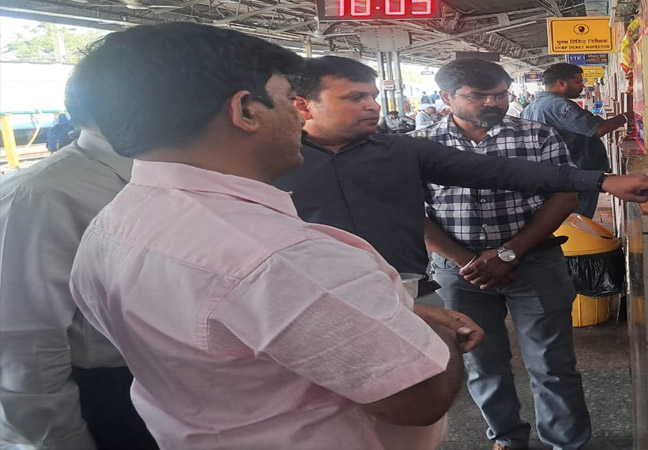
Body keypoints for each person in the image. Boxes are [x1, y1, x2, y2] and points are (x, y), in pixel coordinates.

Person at [66, 23, 482, 450]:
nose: (299, 117)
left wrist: (387, 312)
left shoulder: (115, 224)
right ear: (246, 111)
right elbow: (419, 395)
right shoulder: (280, 257)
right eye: (287, 100)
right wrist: (439, 336)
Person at [273, 56, 648, 305]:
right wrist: (465, 260)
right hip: (311, 297)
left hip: (404, 292)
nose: (372, 106)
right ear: (303, 106)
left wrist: (602, 181)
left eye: (373, 95)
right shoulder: (274, 162)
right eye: (354, 98)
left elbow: (501, 172)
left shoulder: (402, 150)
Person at [414, 59, 648, 450]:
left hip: (534, 263)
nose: (493, 103)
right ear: (446, 97)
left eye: (501, 95)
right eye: (479, 96)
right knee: (481, 361)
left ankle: (567, 442)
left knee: (552, 363)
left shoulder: (537, 135)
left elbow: (564, 196)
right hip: (460, 272)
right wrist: (467, 260)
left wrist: (509, 253)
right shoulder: (419, 145)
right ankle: (507, 437)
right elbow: (410, 210)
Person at [1, 78, 157, 450]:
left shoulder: (179, 177)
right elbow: (24, 344)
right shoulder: (40, 195)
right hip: (110, 397)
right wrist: (62, 438)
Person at [521, 63, 630, 218]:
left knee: (563, 222)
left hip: (553, 176)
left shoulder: (530, 107)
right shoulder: (560, 105)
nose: (582, 86)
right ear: (561, 83)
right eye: (578, 82)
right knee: (578, 220)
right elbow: (598, 129)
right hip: (575, 175)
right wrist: (628, 116)